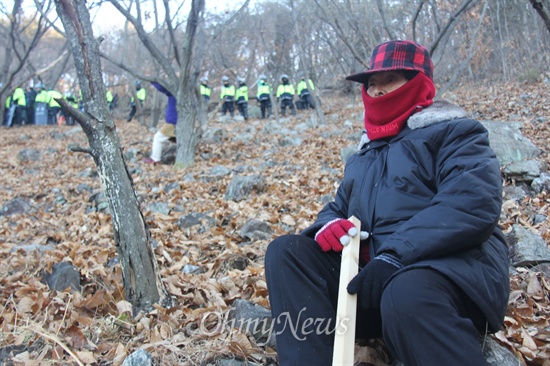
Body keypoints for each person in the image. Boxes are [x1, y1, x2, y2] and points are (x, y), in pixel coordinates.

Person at [264, 40, 510, 365]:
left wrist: (397, 254)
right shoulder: (362, 155)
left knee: (405, 289)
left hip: (447, 280)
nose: (377, 91)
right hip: (373, 284)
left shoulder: (456, 132)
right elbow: (339, 207)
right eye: (371, 83)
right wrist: (327, 227)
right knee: (286, 253)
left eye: (389, 80)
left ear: (419, 83)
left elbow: (472, 202)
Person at [144, 82, 177, 165]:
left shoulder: (175, 91)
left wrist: (153, 82)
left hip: (173, 122)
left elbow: (163, 88)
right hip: (176, 122)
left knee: (158, 138)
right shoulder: (183, 94)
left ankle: (155, 159)